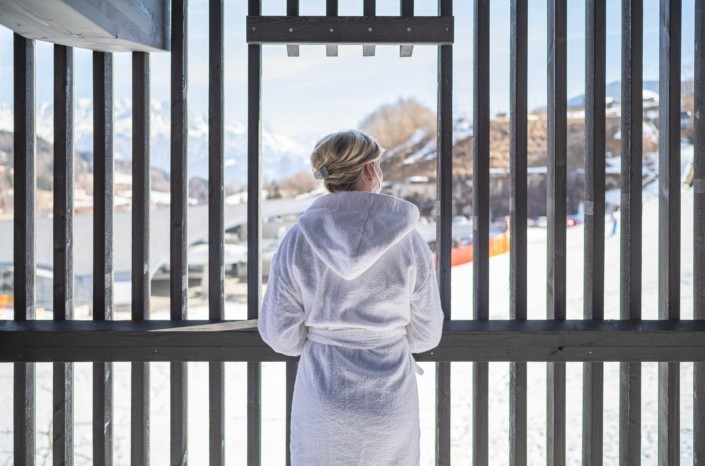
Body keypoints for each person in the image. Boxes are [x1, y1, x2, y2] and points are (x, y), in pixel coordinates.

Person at [258, 129, 444, 465]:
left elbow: (279, 334)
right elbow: (427, 332)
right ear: (370, 171)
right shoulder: (409, 240)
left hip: (323, 396)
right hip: (390, 401)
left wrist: (322, 340)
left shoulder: (298, 239)